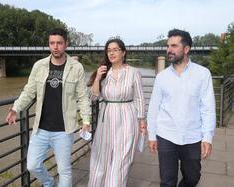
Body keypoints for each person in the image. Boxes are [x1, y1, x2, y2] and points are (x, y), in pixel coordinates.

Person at [5, 28, 91, 187]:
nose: (55, 47)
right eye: (52, 43)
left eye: (59, 43)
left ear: (66, 44)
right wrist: (15, 108)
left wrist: (86, 120)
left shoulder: (76, 67)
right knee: (32, 165)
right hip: (41, 129)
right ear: (49, 44)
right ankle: (49, 183)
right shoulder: (40, 66)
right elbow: (29, 91)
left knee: (64, 171)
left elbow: (83, 97)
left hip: (63, 130)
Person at [147, 29, 216, 187]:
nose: (169, 50)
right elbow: (154, 108)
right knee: (167, 181)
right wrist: (152, 135)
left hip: (192, 136)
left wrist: (207, 137)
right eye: (168, 46)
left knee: (192, 178)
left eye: (174, 46)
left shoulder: (203, 74)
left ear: (186, 49)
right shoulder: (161, 77)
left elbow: (208, 108)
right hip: (166, 135)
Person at [87, 38, 147, 187]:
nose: (111, 53)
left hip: (127, 118)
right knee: (100, 156)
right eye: (109, 50)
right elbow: (94, 97)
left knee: (122, 159)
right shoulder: (104, 72)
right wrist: (98, 78)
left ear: (123, 52)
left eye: (115, 50)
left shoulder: (133, 73)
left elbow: (139, 98)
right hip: (106, 118)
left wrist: (142, 122)